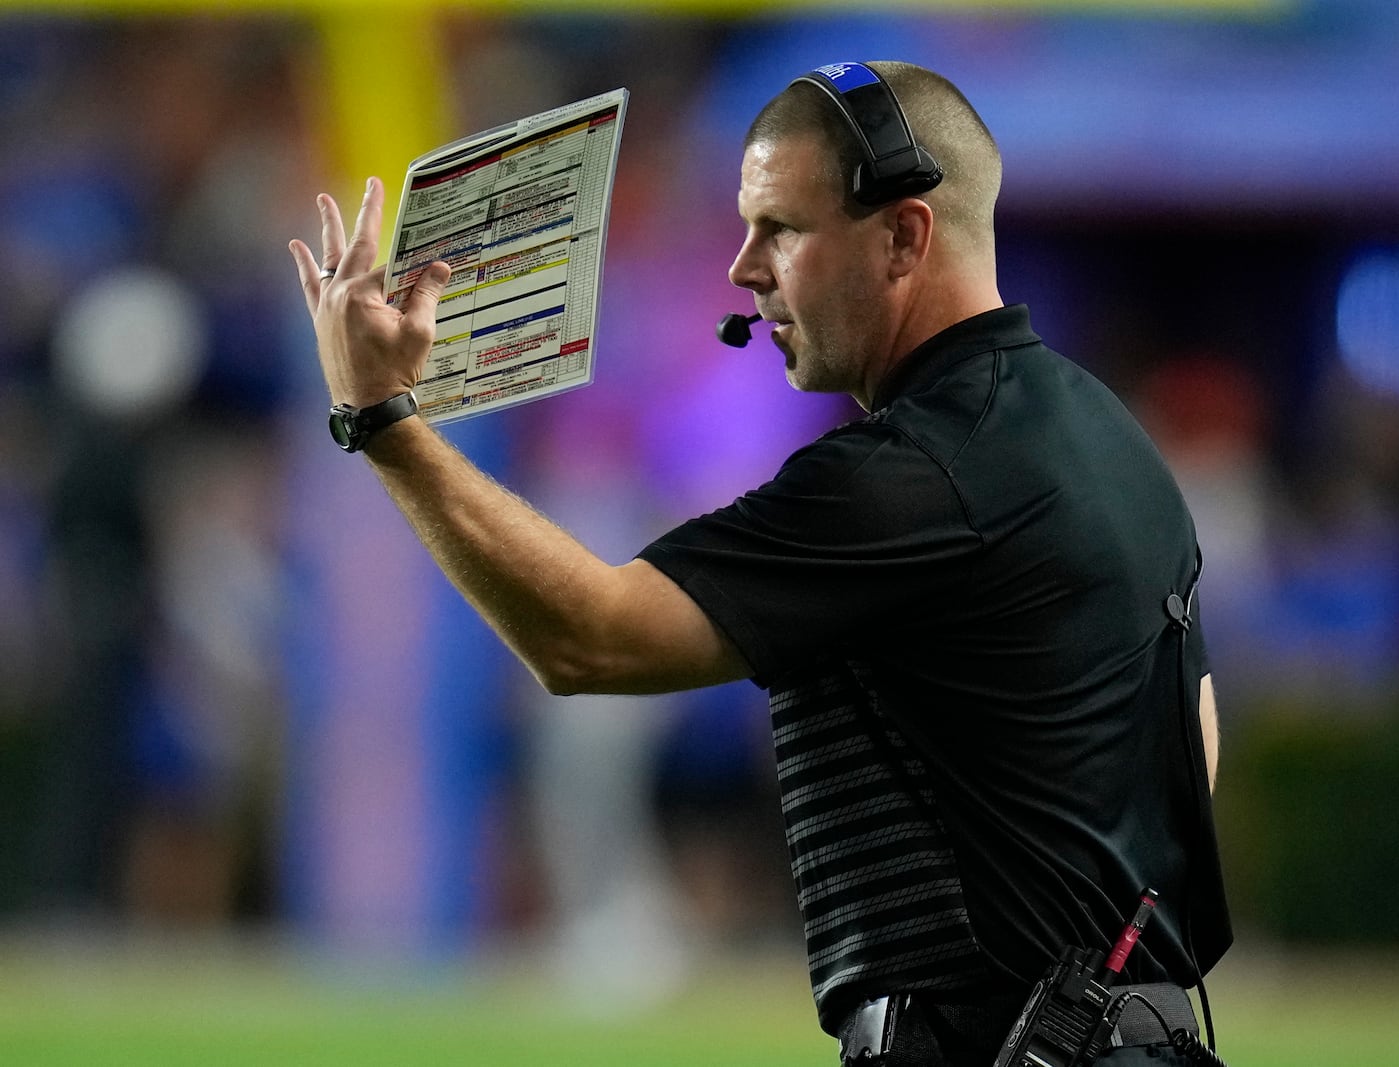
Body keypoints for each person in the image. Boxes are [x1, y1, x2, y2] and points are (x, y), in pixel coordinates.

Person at [289, 60, 1230, 1067]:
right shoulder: (1108, 441)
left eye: (781, 227)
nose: (743, 266)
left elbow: (592, 641)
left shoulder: (916, 472)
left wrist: (384, 417)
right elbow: (1193, 739)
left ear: (904, 235)